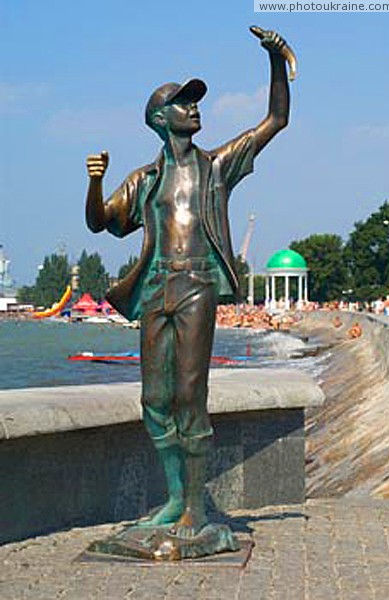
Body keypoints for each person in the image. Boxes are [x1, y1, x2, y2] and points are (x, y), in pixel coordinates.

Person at [85, 28, 292, 539]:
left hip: (198, 284)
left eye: (194, 102)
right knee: (154, 400)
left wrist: (274, 62)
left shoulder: (217, 167)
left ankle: (196, 510)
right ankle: (176, 498)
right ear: (160, 119)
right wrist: (93, 180)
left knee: (189, 395)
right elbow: (101, 223)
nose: (194, 109)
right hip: (155, 289)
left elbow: (277, 120)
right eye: (182, 104)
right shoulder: (145, 179)